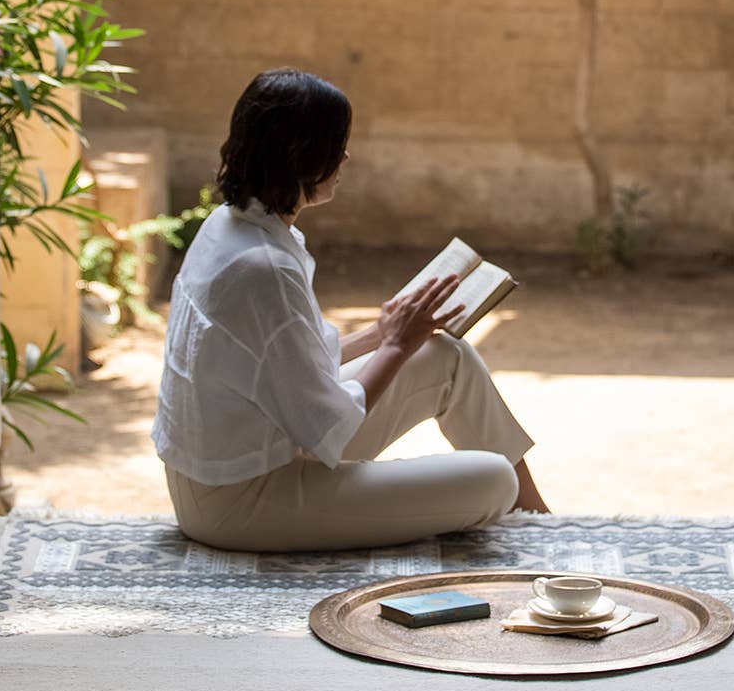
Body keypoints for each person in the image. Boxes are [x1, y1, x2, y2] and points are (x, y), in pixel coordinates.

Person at [152, 67, 549, 553]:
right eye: (336, 144)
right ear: (304, 156)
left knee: (448, 357)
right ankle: (536, 523)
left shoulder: (232, 228)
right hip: (242, 505)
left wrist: (383, 334)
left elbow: (290, 367)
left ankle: (542, 524)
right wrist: (398, 345)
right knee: (491, 480)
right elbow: (329, 430)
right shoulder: (263, 268)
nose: (345, 157)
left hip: (236, 469)